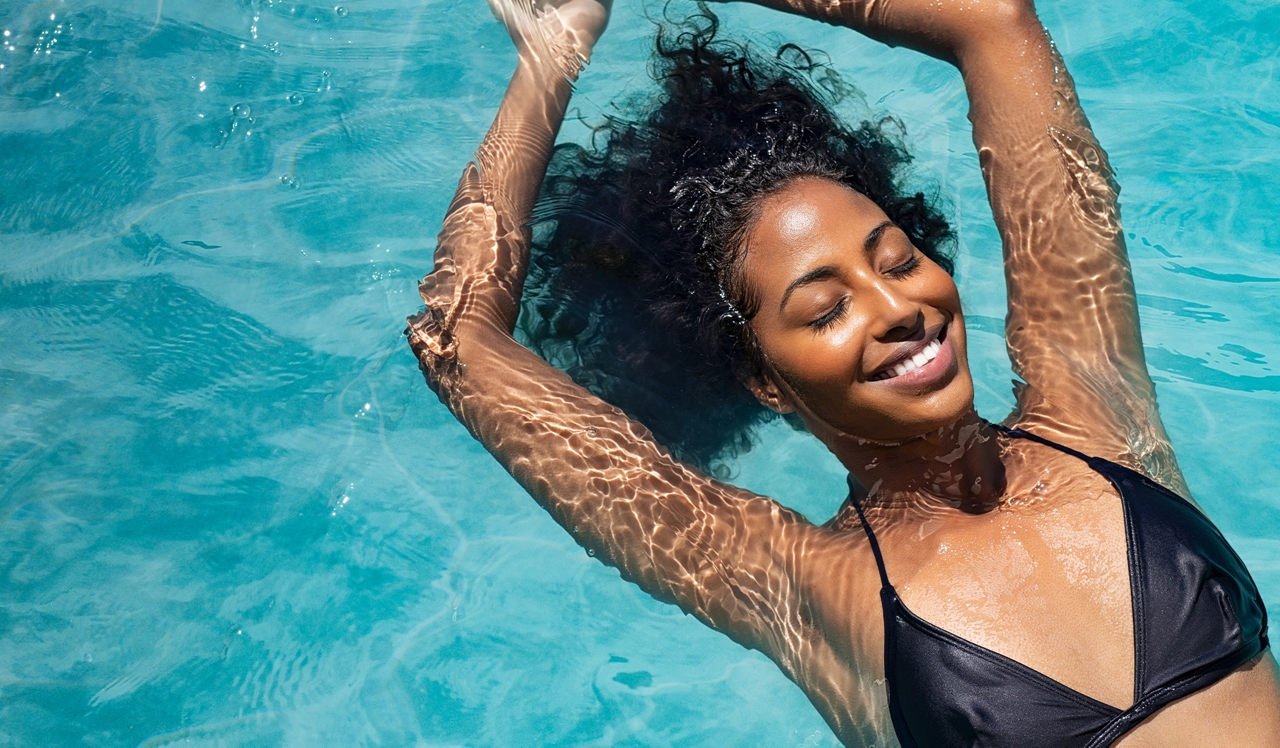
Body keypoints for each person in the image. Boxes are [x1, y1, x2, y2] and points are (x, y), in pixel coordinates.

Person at [406, 0, 1280, 743]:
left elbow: (991, 21)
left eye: (899, 260)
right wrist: (551, 56)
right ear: (763, 380)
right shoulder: (807, 584)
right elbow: (457, 342)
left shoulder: (1091, 407)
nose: (897, 307)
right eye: (824, 310)